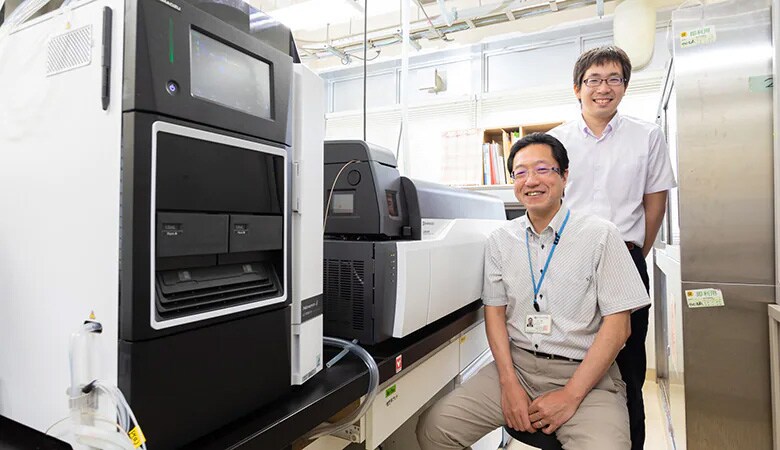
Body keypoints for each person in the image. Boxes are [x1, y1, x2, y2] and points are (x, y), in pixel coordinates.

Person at [416, 133, 649, 450]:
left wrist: (570, 396)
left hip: (585, 375)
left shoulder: (600, 234)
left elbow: (619, 326)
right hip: (519, 367)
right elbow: (495, 313)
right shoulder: (500, 239)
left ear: (565, 176)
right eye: (521, 172)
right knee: (434, 430)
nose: (531, 181)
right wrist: (508, 382)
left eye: (543, 169)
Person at [547, 45, 677, 450]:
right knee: (566, 355)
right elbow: (550, 201)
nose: (603, 88)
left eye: (613, 79)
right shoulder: (556, 139)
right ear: (577, 88)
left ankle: (631, 442)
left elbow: (656, 201)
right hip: (569, 258)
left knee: (629, 363)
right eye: (594, 80)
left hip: (625, 255)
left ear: (624, 86)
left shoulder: (647, 135)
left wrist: (636, 252)